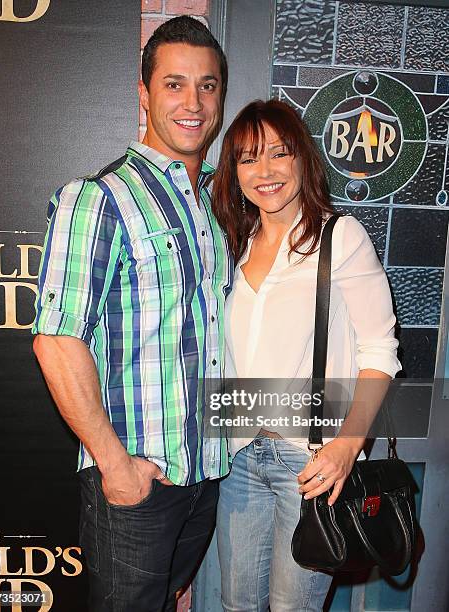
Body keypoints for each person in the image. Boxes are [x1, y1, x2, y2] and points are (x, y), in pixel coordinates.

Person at [32, 16, 232, 612]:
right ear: (143, 94)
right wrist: (115, 465)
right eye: (174, 85)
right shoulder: (99, 198)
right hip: (138, 481)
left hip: (207, 473)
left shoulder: (218, 200)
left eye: (208, 85)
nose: (192, 103)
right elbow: (56, 343)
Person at [211, 99, 401, 612]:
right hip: (238, 455)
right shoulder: (235, 241)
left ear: (302, 159)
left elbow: (381, 351)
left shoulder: (340, 237)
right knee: (236, 606)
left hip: (310, 461)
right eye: (249, 158)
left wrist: (346, 446)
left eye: (278, 153)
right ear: (235, 171)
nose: (265, 171)